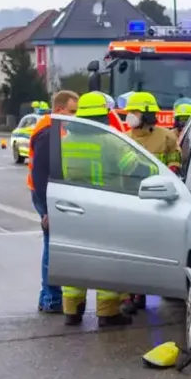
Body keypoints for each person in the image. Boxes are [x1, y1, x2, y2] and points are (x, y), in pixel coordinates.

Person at [58, 92, 134, 327]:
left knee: (74, 260)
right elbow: (131, 167)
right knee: (106, 260)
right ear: (103, 115)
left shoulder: (64, 141)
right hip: (104, 208)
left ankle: (72, 311)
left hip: (71, 208)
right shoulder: (111, 140)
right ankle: (107, 313)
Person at [120, 91, 181, 313]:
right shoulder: (124, 138)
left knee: (153, 251)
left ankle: (150, 287)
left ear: (146, 114)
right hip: (131, 201)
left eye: (134, 112)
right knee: (130, 251)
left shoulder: (166, 137)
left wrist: (167, 172)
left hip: (159, 202)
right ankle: (131, 295)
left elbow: (175, 164)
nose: (130, 117)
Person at [29, 90, 79, 314]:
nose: (76, 116)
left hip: (49, 193)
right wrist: (48, 210)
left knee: (52, 243)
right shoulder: (49, 131)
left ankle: (48, 297)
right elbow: (40, 172)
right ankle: (51, 298)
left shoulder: (54, 127)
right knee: (52, 245)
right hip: (46, 195)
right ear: (59, 110)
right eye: (72, 111)